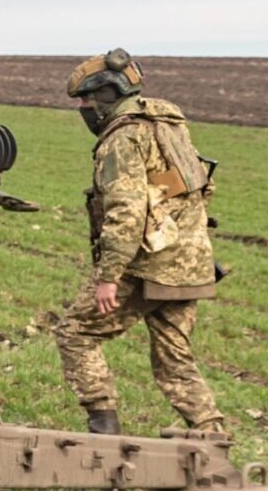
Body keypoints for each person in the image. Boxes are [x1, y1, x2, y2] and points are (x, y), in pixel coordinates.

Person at [52, 48, 227, 437]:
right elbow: (199, 188)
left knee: (76, 333)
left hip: (149, 268)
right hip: (191, 264)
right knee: (174, 361)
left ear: (107, 96)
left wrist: (109, 276)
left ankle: (104, 428)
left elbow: (126, 211)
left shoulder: (123, 138)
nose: (83, 108)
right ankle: (212, 439)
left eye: (86, 99)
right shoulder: (168, 125)